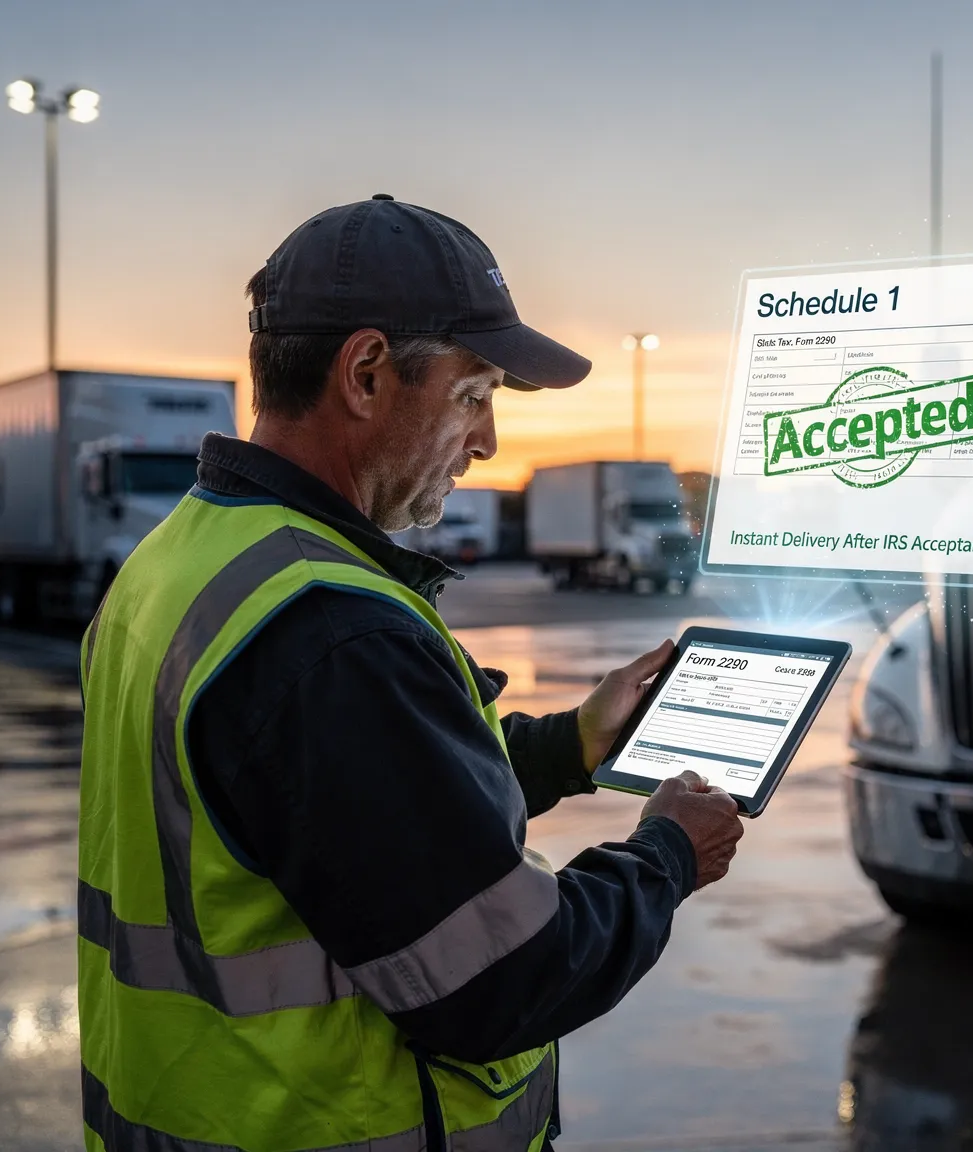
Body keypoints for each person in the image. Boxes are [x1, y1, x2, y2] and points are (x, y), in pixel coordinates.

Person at [76, 195, 744, 1151]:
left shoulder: (185, 561)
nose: (487, 442)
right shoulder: (331, 635)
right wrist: (668, 854)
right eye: (474, 396)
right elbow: (503, 980)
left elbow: (345, 818)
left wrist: (569, 745)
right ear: (366, 374)